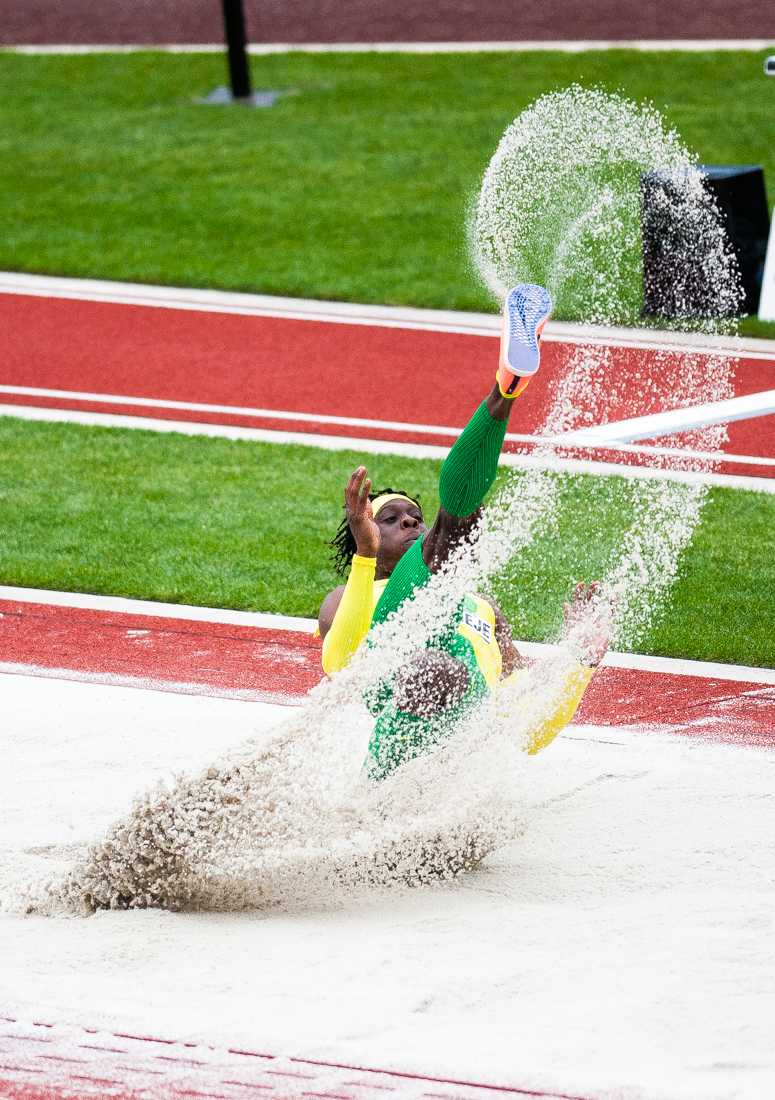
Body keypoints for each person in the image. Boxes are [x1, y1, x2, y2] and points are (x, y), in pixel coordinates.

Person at [318, 284, 607, 780]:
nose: (409, 520)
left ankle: (509, 385)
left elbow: (528, 732)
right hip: (401, 690)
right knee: (453, 542)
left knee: (460, 530)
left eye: (413, 515)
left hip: (465, 748)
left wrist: (581, 660)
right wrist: (366, 558)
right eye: (389, 519)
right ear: (366, 536)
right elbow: (341, 664)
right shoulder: (354, 593)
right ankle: (505, 390)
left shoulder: (486, 611)